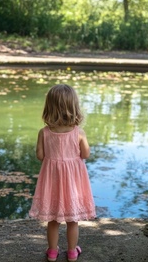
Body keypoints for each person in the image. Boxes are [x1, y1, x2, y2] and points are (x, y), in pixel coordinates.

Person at [29, 84, 96, 262]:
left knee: (53, 219)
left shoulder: (44, 133)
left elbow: (40, 156)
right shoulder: (78, 133)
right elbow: (86, 154)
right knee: (72, 220)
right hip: (73, 182)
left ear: (49, 107)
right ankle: (72, 252)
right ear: (74, 107)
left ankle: (52, 252)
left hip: (52, 181)